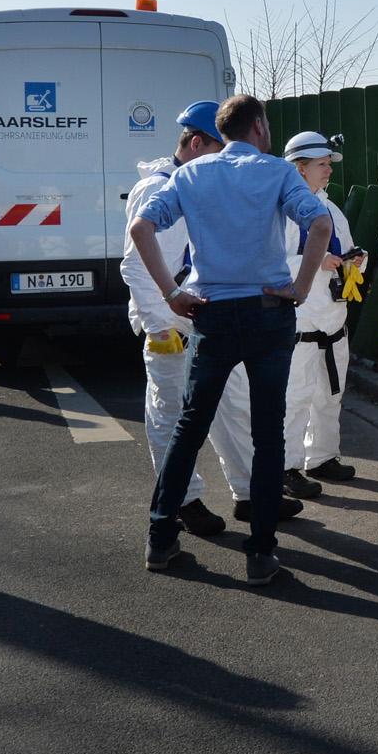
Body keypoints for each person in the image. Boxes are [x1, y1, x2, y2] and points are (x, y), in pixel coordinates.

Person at [130, 94, 332, 587]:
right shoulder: (277, 172)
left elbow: (141, 227)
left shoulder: (190, 175)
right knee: (267, 434)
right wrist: (300, 288)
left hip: (211, 315)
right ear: (258, 126)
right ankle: (260, 553)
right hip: (268, 315)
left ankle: (161, 538)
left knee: (188, 427)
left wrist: (171, 293)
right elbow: (320, 224)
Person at [120, 102, 231, 538]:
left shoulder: (195, 184)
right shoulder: (159, 188)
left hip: (198, 316)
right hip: (169, 323)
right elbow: (136, 266)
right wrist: (157, 325)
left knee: (227, 409)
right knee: (170, 416)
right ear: (197, 143)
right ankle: (183, 502)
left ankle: (248, 490)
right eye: (219, 150)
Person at [276, 130, 366, 487]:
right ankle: (286, 467)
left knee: (330, 394)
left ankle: (322, 457)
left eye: (329, 164)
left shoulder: (330, 208)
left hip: (332, 320)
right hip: (300, 323)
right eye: (322, 165)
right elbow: (272, 265)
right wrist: (317, 261)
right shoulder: (282, 211)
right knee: (295, 397)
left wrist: (354, 259)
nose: (329, 170)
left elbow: (346, 248)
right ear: (300, 168)